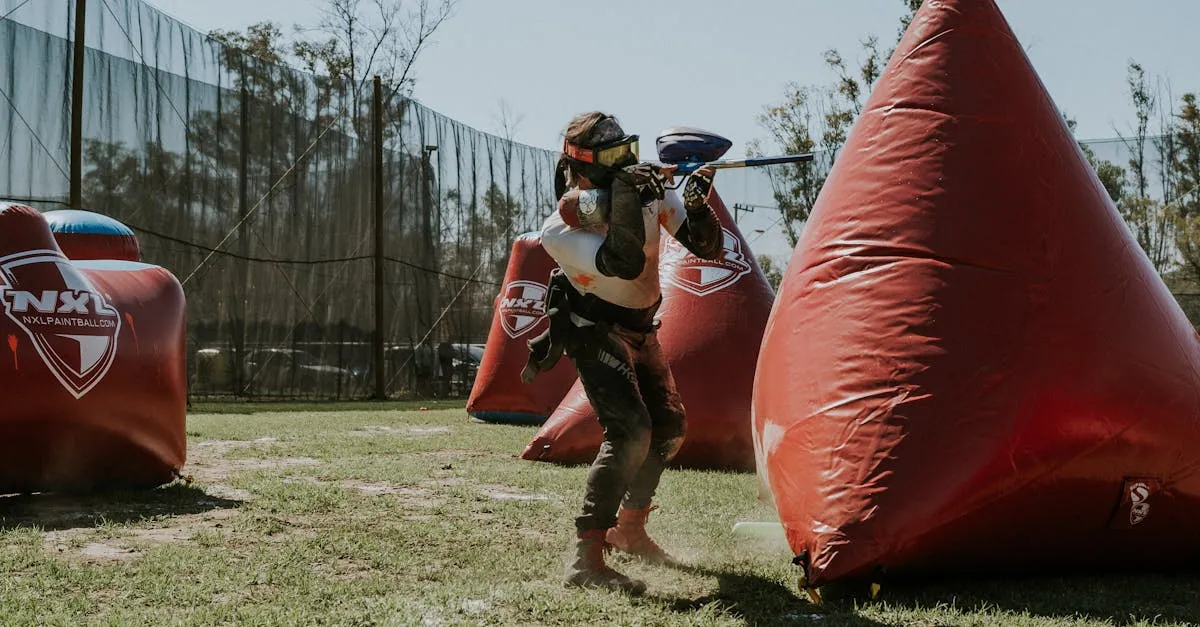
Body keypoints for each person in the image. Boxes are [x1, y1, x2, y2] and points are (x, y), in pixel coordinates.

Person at [522, 111, 723, 594]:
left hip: (640, 326)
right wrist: (634, 194)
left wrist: (697, 205)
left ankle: (629, 531)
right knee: (630, 432)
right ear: (582, 167)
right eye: (613, 158)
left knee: (669, 429)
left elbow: (705, 246)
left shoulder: (644, 193)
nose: (626, 164)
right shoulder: (559, 230)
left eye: (628, 152)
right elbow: (623, 260)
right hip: (592, 328)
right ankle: (585, 561)